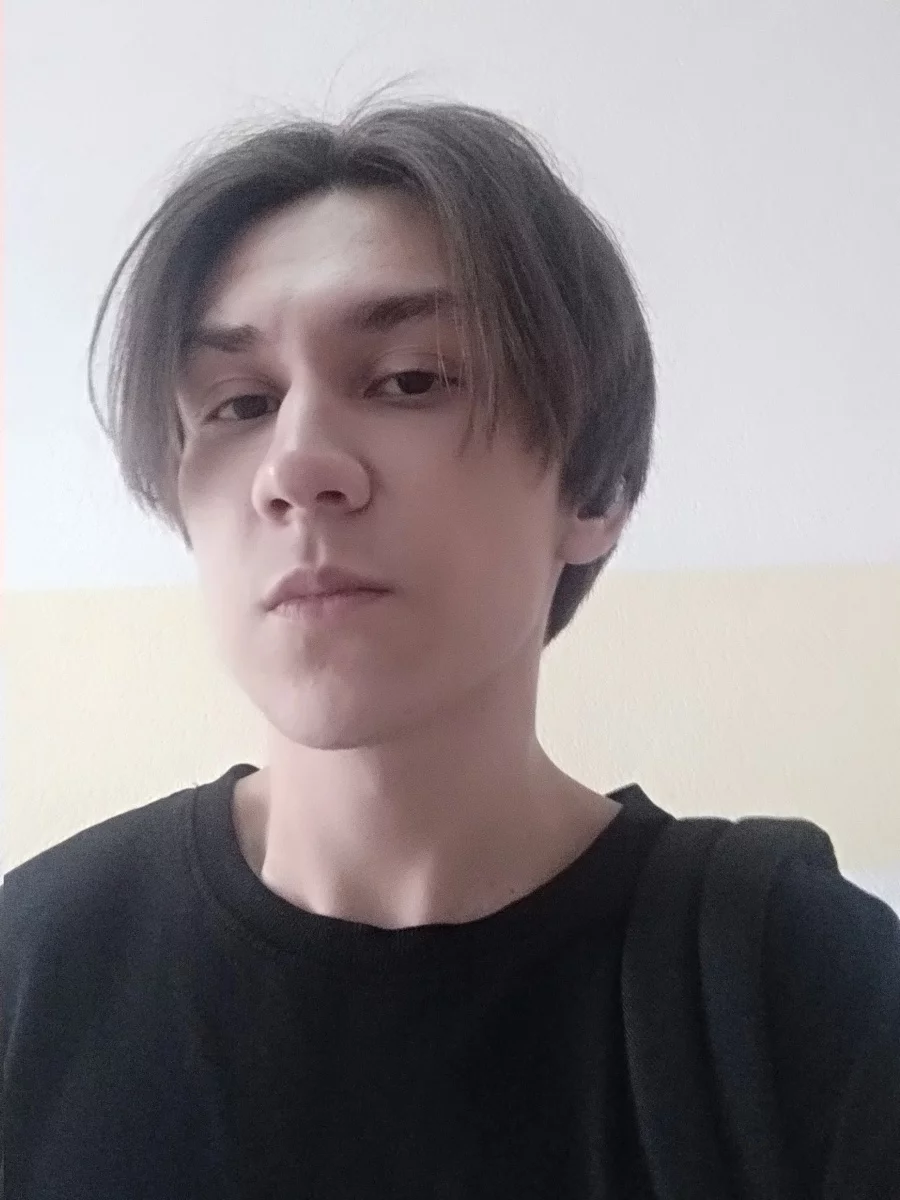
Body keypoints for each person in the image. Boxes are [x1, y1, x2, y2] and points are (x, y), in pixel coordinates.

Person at [2, 96, 898, 1199]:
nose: (296, 467)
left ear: (594, 491)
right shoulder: (31, 974)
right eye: (237, 403)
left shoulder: (809, 998)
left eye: (411, 379)